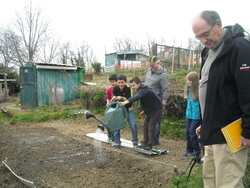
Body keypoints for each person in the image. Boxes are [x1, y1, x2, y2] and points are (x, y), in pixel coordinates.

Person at [192, 10, 250, 188]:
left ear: (218, 24)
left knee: (228, 183)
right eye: (198, 37)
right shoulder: (207, 52)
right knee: (210, 181)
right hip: (212, 131)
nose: (203, 40)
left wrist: (248, 130)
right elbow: (212, 91)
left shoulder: (239, 47)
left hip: (230, 133)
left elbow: (247, 90)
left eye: (205, 34)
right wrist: (205, 122)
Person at [119, 76, 163, 150]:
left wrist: (125, 102)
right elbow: (148, 101)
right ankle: (144, 142)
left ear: (139, 84)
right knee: (145, 126)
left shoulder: (143, 89)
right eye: (131, 85)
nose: (132, 87)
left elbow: (136, 97)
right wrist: (144, 111)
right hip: (150, 109)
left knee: (151, 127)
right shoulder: (142, 90)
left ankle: (150, 145)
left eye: (134, 85)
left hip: (156, 109)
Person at [145, 56, 169, 145]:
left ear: (158, 63)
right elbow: (146, 83)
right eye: (150, 65)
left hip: (156, 101)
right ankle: (148, 139)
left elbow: (165, 89)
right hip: (148, 100)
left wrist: (164, 102)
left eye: (153, 65)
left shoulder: (163, 75)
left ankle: (155, 140)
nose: (151, 67)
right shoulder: (148, 71)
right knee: (147, 121)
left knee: (155, 122)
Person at [112, 74, 138, 148]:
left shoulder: (128, 89)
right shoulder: (115, 89)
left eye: (122, 82)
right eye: (119, 82)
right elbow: (114, 98)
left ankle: (135, 141)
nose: (120, 84)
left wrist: (121, 98)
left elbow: (130, 100)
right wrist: (116, 98)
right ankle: (117, 142)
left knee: (133, 125)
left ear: (125, 82)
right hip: (118, 111)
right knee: (117, 126)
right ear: (116, 82)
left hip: (128, 110)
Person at [182, 71, 201, 157]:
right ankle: (189, 150)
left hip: (196, 116)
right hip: (189, 115)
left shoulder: (199, 91)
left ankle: (196, 151)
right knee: (187, 133)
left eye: (191, 80)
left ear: (195, 81)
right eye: (188, 80)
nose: (188, 82)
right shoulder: (188, 90)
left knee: (192, 133)